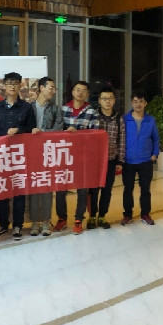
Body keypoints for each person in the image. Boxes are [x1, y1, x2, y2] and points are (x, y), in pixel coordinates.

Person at [0, 72, 35, 241]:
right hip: (1, 155)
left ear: (20, 86)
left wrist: (19, 130)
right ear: (4, 86)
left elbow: (32, 128)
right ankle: (3, 224)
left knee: (18, 191)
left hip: (19, 156)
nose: (12, 86)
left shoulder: (26, 107)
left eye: (15, 83)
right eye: (9, 83)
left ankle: (18, 226)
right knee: (2, 190)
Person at [28, 77, 64, 236]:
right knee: (33, 189)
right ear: (41, 88)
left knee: (47, 189)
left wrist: (42, 133)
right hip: (31, 154)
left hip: (49, 153)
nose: (53, 91)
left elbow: (58, 129)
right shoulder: (29, 108)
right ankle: (34, 222)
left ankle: (45, 222)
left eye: (54, 88)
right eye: (51, 87)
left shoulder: (55, 109)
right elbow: (24, 129)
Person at [63, 81, 99, 235]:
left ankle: (79, 219)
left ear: (87, 94)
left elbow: (95, 135)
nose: (80, 93)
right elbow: (57, 131)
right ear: (72, 92)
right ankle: (61, 218)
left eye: (83, 90)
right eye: (77, 89)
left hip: (83, 156)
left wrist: (77, 133)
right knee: (61, 189)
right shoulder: (64, 109)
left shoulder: (92, 112)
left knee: (82, 189)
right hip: (65, 155)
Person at [121, 94, 159, 226]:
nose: (138, 104)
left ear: (145, 103)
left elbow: (156, 138)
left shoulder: (150, 120)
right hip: (128, 161)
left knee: (145, 189)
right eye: (135, 101)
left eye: (141, 101)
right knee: (128, 189)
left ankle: (145, 214)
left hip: (145, 160)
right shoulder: (125, 119)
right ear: (132, 103)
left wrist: (155, 154)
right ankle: (127, 215)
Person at [93, 87, 125, 231]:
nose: (107, 101)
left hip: (111, 160)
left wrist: (120, 161)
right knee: (93, 190)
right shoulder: (93, 116)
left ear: (114, 100)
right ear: (99, 101)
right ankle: (92, 215)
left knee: (107, 189)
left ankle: (102, 216)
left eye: (110, 98)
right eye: (104, 98)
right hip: (95, 160)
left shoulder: (119, 119)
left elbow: (122, 140)